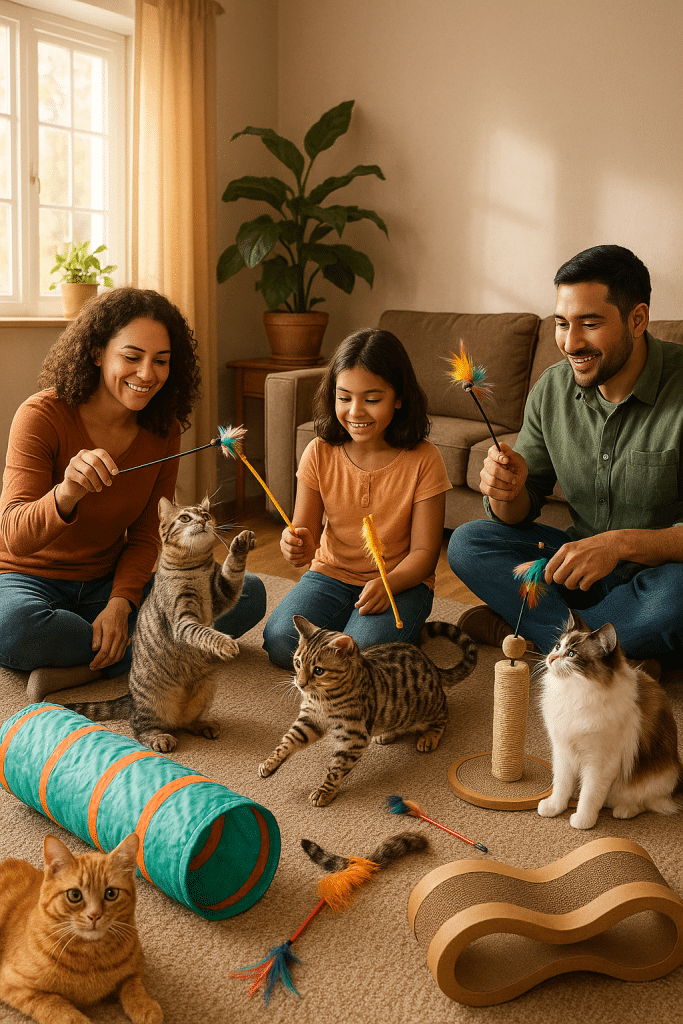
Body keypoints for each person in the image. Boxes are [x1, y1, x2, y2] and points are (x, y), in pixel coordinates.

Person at [0, 286, 266, 701]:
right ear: (96, 352)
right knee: (15, 629)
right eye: (131, 356)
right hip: (28, 580)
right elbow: (12, 535)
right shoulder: (41, 416)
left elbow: (145, 534)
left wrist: (121, 603)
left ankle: (79, 669)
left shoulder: (164, 429)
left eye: (161, 361)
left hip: (107, 581)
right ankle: (131, 656)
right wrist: (66, 492)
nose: (147, 374)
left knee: (247, 595)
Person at [448, 244, 683, 671]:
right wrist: (507, 491)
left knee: (677, 599)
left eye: (589, 324)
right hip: (576, 572)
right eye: (561, 324)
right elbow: (519, 511)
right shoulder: (553, 389)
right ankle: (618, 653)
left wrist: (618, 545)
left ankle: (532, 632)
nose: (570, 343)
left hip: (661, 575)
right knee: (469, 543)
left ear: (638, 319)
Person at [262, 328, 452, 669]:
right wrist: (293, 545)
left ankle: (390, 630)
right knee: (280, 641)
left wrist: (388, 583)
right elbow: (305, 537)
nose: (355, 411)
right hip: (331, 576)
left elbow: (424, 554)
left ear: (399, 397)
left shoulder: (425, 459)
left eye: (372, 399)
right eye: (344, 397)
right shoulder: (318, 451)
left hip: (400, 582)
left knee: (359, 656)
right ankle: (358, 630)